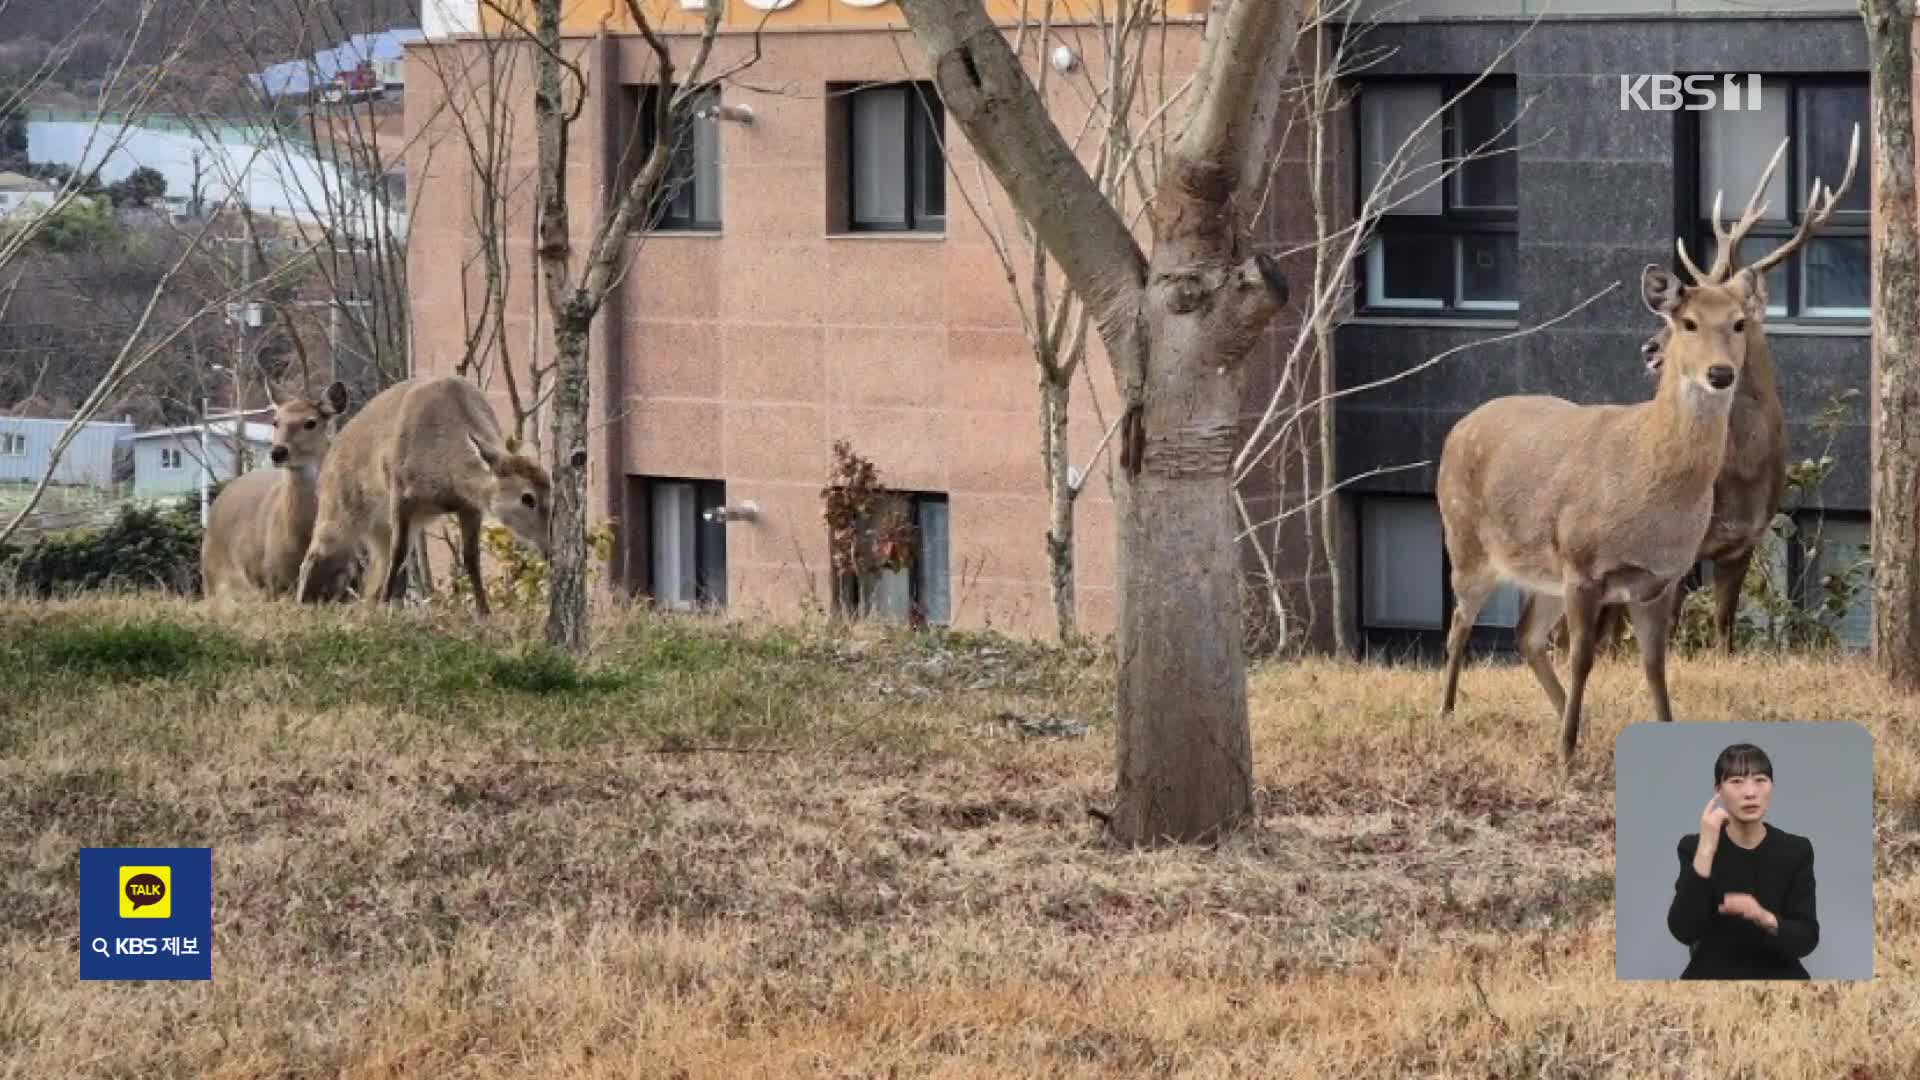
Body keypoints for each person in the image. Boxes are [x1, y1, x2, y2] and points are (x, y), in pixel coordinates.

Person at [1666, 742, 1819, 979]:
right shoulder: (1694, 847)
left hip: (1779, 977)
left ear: (1771, 786)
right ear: (1718, 790)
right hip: (1711, 977)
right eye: (1736, 781)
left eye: (1760, 780)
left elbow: (1807, 939)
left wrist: (1762, 916)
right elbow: (1683, 930)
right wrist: (1707, 846)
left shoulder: (1796, 850)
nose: (1750, 792)